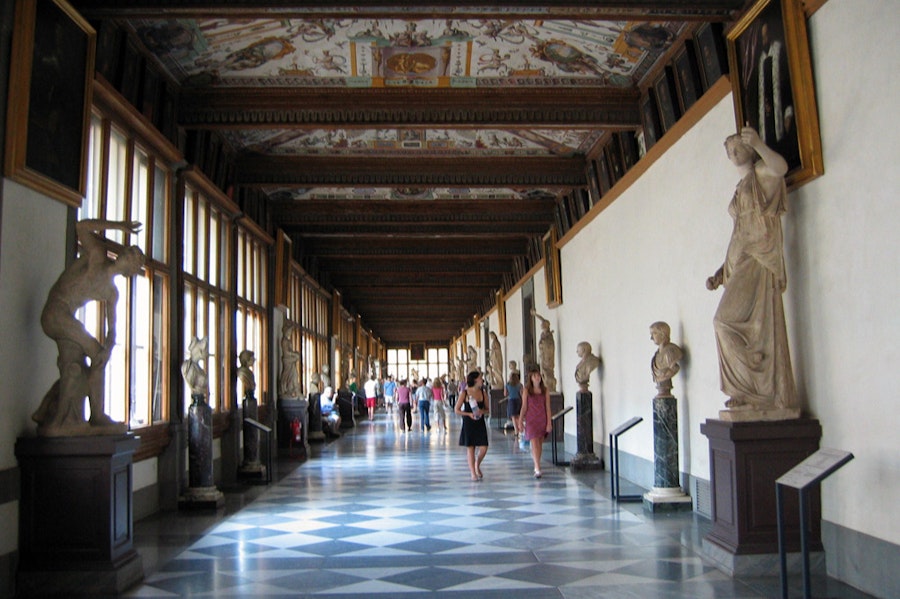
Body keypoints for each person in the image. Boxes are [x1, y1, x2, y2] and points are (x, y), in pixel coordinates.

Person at [706, 126, 797, 413]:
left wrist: (758, 143)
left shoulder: (760, 173)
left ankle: (752, 378)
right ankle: (748, 391)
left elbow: (780, 168)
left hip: (757, 258)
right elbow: (739, 232)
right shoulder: (742, 186)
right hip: (739, 261)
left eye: (738, 147)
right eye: (729, 150)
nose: (733, 153)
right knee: (739, 324)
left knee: (723, 322)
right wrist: (723, 269)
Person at [35, 219, 145, 434]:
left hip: (65, 320)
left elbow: (112, 329)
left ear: (131, 271)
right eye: (130, 250)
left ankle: (52, 414)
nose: (128, 252)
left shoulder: (111, 293)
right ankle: (97, 415)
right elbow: (81, 227)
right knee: (95, 352)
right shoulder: (97, 257)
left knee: (74, 368)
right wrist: (120, 226)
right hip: (56, 313)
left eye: (134, 256)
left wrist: (109, 347)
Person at [455, 370, 490, 481]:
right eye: (480, 378)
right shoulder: (464, 393)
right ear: (475, 380)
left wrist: (481, 411)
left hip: (480, 422)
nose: (482, 380)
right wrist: (469, 414)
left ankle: (477, 464)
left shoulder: (483, 393)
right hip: (469, 422)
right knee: (470, 448)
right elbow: (457, 410)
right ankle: (473, 473)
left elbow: (488, 409)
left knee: (484, 447)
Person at [520, 366, 552, 478]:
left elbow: (548, 407)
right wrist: (520, 420)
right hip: (531, 420)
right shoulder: (526, 390)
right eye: (534, 376)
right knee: (534, 442)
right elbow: (524, 406)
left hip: (542, 419)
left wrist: (549, 422)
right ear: (531, 378)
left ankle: (537, 463)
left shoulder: (545, 390)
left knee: (539, 443)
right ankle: (537, 467)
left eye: (538, 376)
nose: (537, 378)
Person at [650, 322, 683, 398]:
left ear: (662, 334)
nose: (651, 338)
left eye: (654, 333)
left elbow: (674, 368)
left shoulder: (672, 352)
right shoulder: (656, 355)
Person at [531, 309, 557, 392]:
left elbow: (549, 346)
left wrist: (543, 344)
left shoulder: (548, 335)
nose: (541, 326)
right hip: (543, 356)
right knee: (543, 372)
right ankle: (546, 385)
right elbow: (543, 320)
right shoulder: (543, 334)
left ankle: (549, 386)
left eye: (543, 325)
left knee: (547, 371)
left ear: (547, 326)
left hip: (547, 357)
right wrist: (535, 314)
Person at [278, 321, 300, 399]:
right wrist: (294, 354)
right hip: (287, 359)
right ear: (286, 331)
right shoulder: (284, 340)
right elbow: (286, 352)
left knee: (294, 374)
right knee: (287, 374)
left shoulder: (288, 340)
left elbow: (290, 350)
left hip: (290, 359)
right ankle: (284, 388)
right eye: (290, 331)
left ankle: (291, 388)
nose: (290, 332)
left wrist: (294, 353)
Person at [504, 371, 524, 437]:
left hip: (511, 401)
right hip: (518, 400)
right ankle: (520, 429)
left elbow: (505, 394)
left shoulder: (507, 385)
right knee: (518, 416)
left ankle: (516, 430)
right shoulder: (520, 385)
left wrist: (510, 393)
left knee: (513, 416)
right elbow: (522, 393)